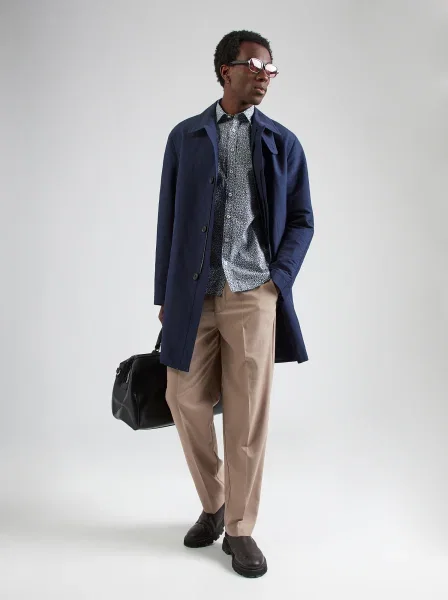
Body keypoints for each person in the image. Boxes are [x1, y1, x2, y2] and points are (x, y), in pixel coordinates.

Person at [154, 29, 314, 578]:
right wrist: (164, 293)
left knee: (246, 416)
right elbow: (168, 216)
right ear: (226, 69)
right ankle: (216, 501)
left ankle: (241, 529)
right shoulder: (186, 137)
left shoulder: (283, 142)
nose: (264, 75)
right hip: (193, 294)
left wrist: (277, 281)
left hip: (252, 293)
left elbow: (302, 219)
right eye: (253, 65)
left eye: (270, 68)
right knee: (182, 398)